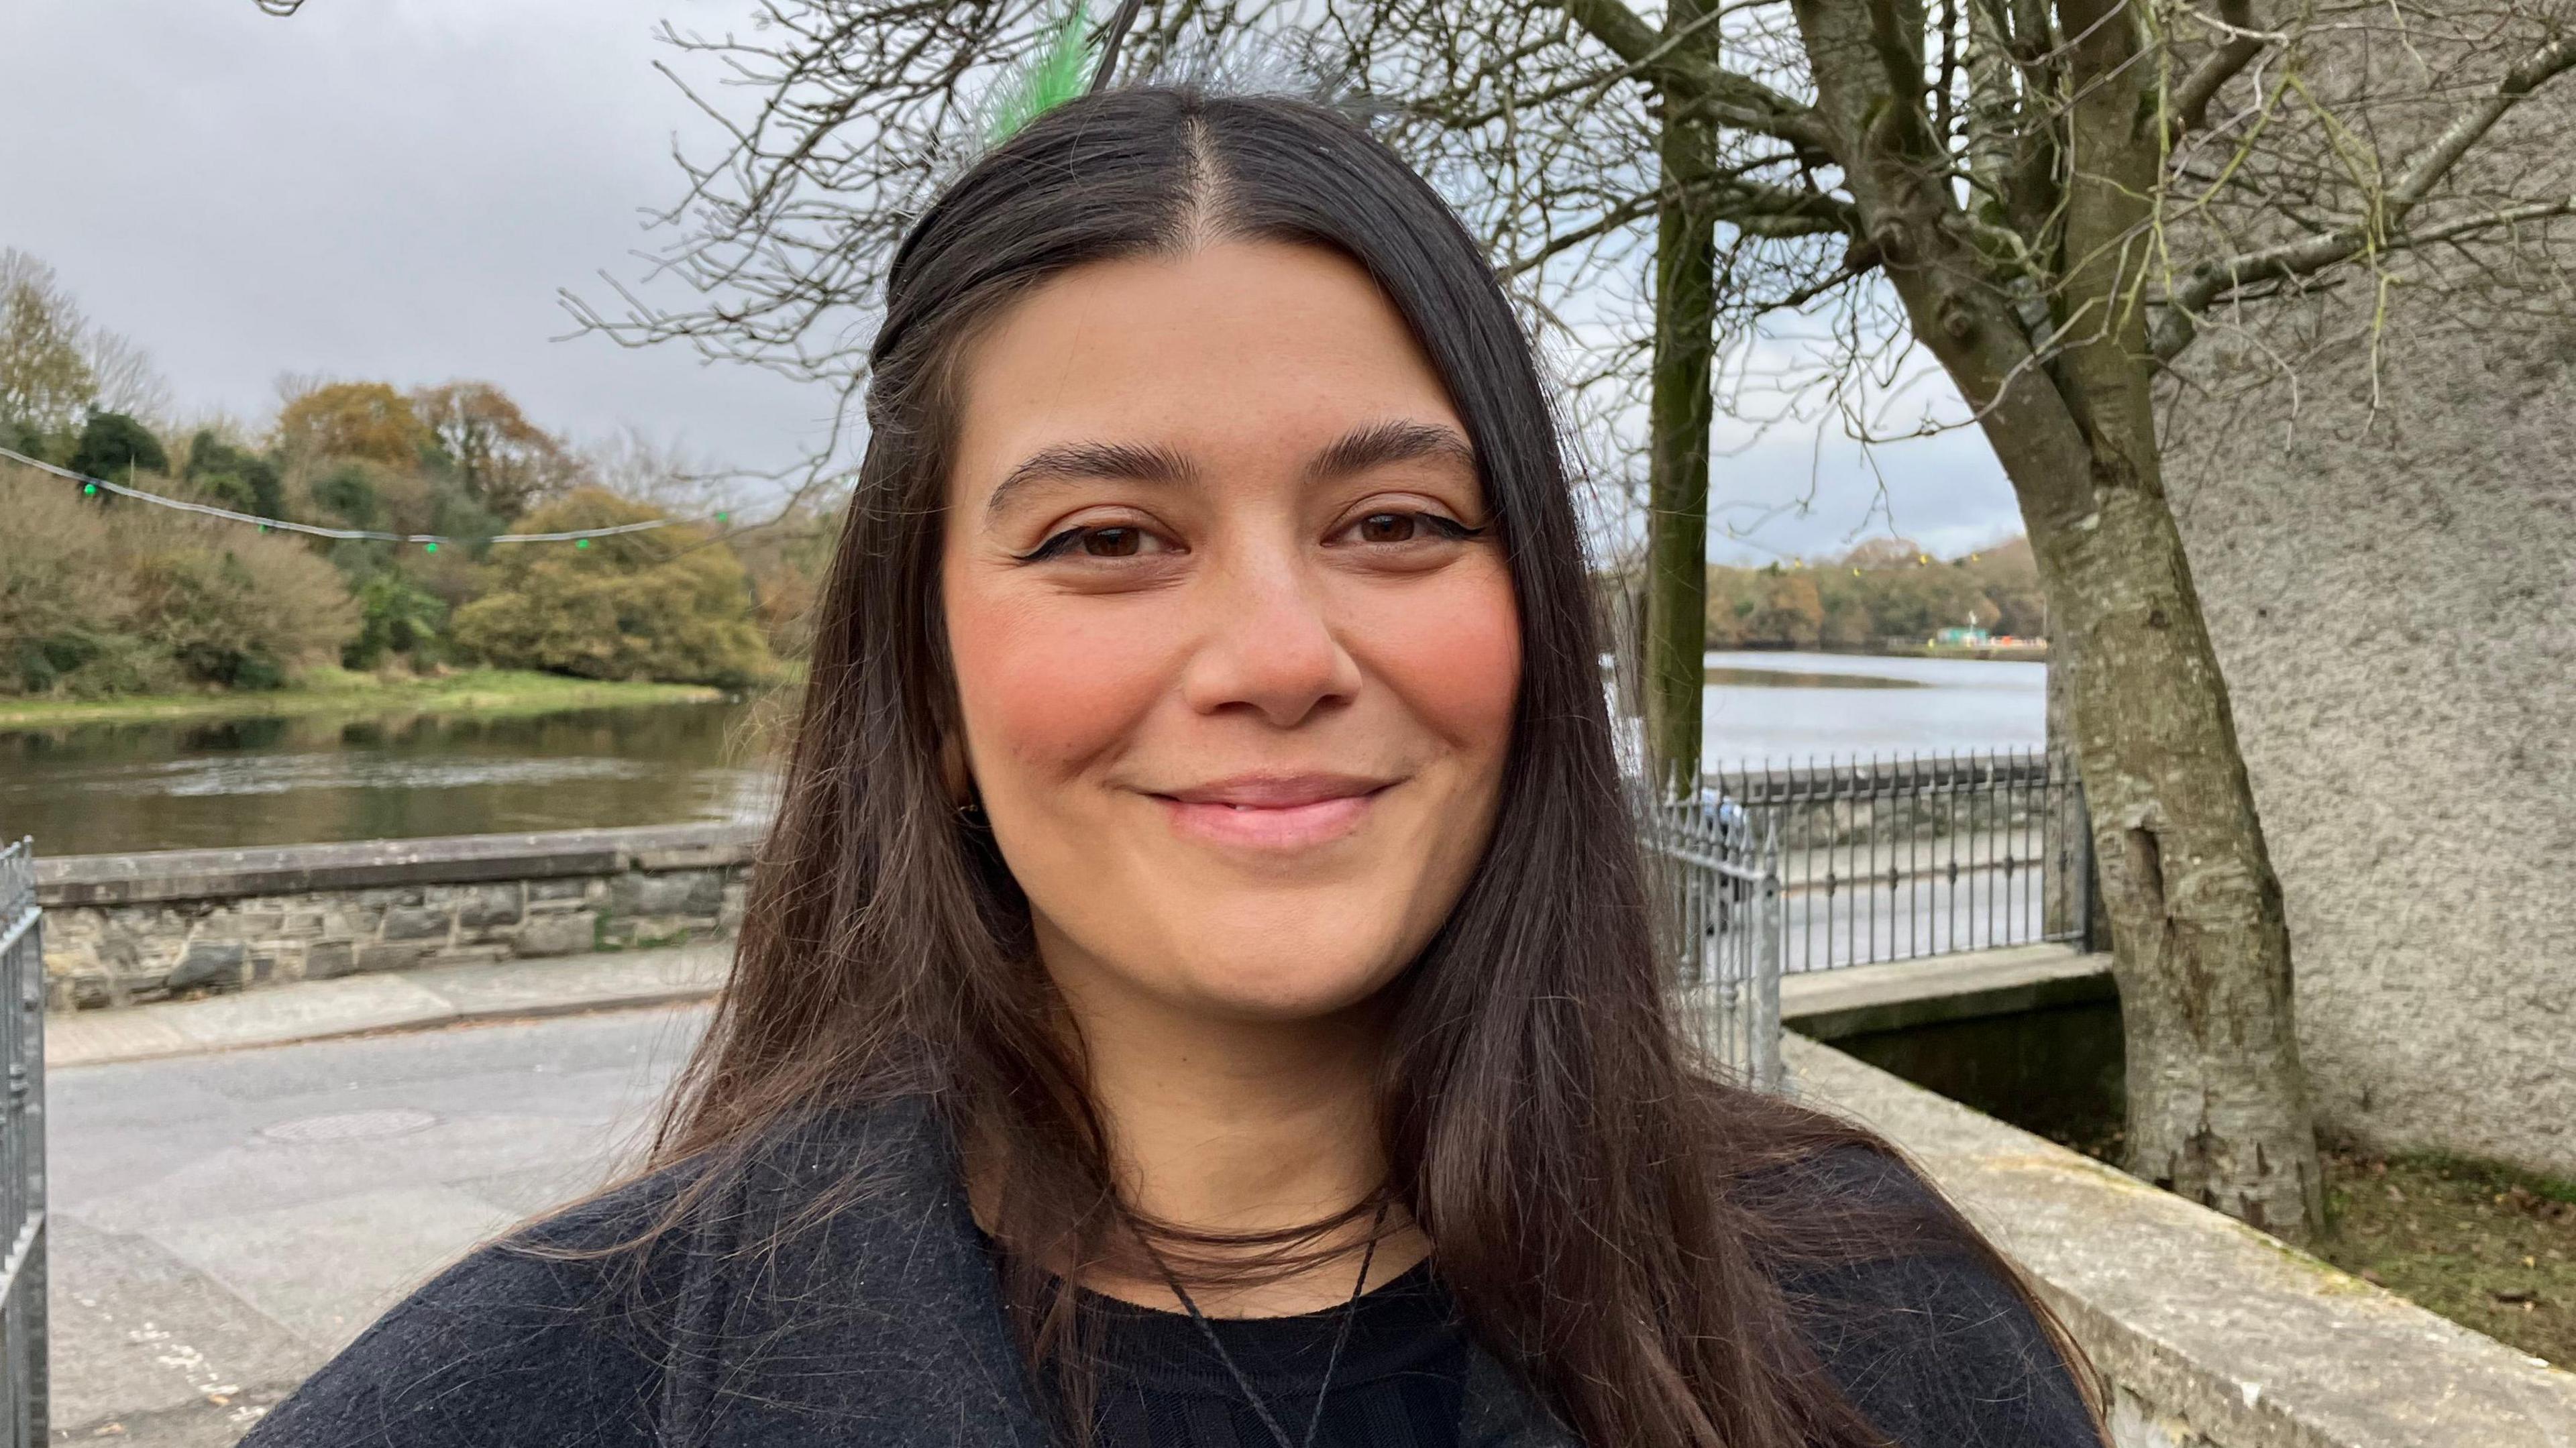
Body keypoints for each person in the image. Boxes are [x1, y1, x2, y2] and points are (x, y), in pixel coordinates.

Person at [238, 87, 2107, 1448]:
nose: (1282, 657)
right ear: (926, 679)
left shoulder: (1884, 1341)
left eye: (1391, 521)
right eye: (1108, 540)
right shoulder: (503, 1407)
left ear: (1535, 618)